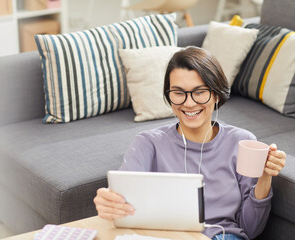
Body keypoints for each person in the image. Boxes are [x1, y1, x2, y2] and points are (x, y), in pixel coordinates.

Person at [93, 47, 286, 240]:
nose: (189, 103)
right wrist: (109, 201)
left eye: (199, 92)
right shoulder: (148, 143)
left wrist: (265, 177)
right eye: (178, 93)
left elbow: (250, 229)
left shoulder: (242, 143)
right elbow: (122, 199)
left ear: (217, 94)